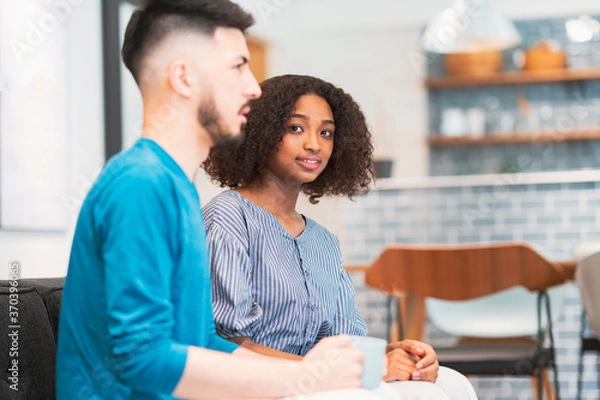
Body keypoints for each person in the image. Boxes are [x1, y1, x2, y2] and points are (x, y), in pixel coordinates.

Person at [56, 2, 380, 399]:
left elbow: (206, 341)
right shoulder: (141, 184)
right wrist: (303, 378)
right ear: (184, 78)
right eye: (237, 66)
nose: (254, 88)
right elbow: (141, 358)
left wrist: (315, 374)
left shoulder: (176, 187)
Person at [202, 74, 479, 400]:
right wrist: (333, 373)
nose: (314, 144)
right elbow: (226, 345)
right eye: (295, 128)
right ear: (260, 132)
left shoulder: (324, 242)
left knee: (448, 383)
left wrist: (399, 357)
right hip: (259, 387)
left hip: (321, 383)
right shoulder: (227, 219)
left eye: (326, 133)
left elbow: (346, 341)